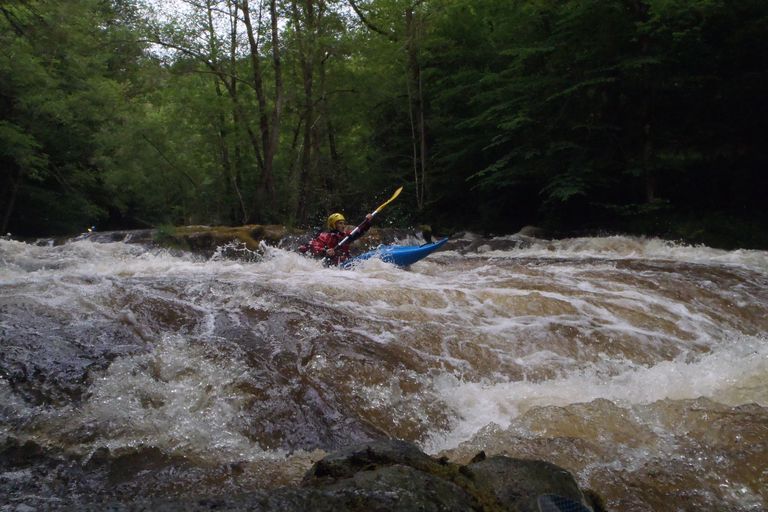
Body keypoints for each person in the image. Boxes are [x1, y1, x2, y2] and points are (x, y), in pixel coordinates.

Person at [303, 212, 373, 265]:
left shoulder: (346, 236)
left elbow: (359, 232)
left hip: (346, 263)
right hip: (332, 266)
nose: (343, 226)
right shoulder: (325, 236)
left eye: (343, 223)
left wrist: (367, 222)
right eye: (340, 223)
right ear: (333, 225)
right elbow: (315, 246)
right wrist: (325, 251)